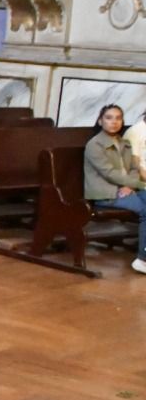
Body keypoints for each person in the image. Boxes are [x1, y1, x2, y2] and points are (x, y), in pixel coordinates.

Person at [85, 103, 146, 275]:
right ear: (100, 120)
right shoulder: (94, 145)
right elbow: (109, 173)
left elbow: (134, 168)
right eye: (109, 118)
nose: (114, 122)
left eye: (118, 118)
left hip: (125, 189)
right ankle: (143, 259)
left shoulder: (123, 143)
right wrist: (134, 185)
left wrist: (130, 185)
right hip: (105, 193)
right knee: (145, 210)